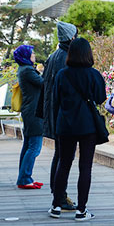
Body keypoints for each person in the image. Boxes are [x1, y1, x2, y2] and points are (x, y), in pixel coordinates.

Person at [48, 38, 106, 221]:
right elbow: (100, 98)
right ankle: (81, 210)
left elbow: (55, 101)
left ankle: (56, 206)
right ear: (88, 53)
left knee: (63, 164)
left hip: (65, 125)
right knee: (85, 167)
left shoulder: (62, 75)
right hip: (88, 125)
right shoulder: (94, 74)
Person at [36, 21, 77, 210]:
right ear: (71, 37)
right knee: (63, 157)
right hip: (62, 114)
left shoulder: (54, 55)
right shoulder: (65, 57)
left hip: (54, 112)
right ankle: (59, 195)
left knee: (59, 155)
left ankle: (58, 192)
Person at [14, 45, 44, 189]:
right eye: (31, 53)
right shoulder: (27, 71)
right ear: (26, 56)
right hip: (33, 112)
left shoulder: (24, 69)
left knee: (28, 145)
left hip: (29, 111)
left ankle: (24, 177)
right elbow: (43, 83)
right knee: (35, 147)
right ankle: (25, 178)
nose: (34, 55)